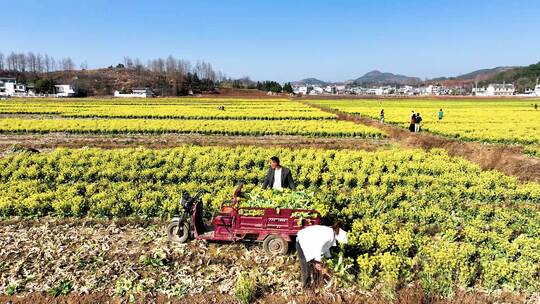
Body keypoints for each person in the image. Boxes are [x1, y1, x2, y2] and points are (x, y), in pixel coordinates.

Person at [296, 223, 348, 288]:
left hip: (310, 244)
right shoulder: (329, 234)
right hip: (302, 243)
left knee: (317, 269)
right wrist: (317, 261)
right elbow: (318, 246)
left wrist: (329, 258)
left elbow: (326, 248)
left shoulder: (331, 233)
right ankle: (307, 288)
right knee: (306, 268)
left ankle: (317, 285)